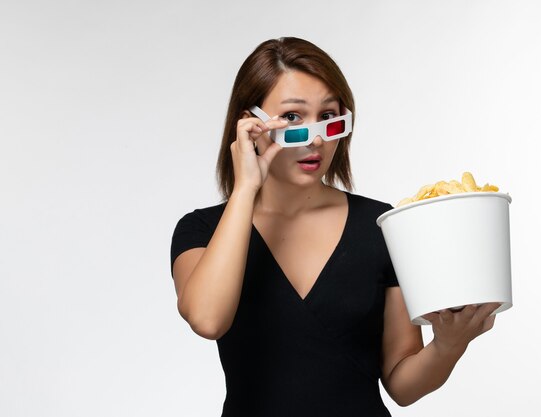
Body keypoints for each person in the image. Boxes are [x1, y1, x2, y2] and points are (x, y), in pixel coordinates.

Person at [170, 37, 499, 417]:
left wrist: (448, 345)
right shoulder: (201, 230)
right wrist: (246, 188)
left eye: (329, 117)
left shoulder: (380, 226)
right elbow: (208, 319)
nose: (315, 139)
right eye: (292, 118)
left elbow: (401, 384)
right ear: (251, 125)